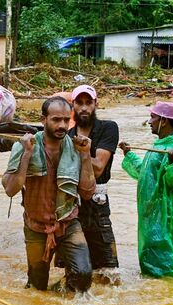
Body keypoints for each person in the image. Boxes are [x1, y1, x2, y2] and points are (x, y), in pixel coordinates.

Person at [2, 96, 96, 292]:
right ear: (43, 120)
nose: (62, 125)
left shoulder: (76, 148)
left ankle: (59, 295)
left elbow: (87, 193)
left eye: (65, 120)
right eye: (56, 120)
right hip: (36, 225)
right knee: (37, 285)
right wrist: (27, 155)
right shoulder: (24, 146)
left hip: (68, 221)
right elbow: (11, 189)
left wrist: (86, 155)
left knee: (84, 275)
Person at [119, 101, 173, 278]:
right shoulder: (158, 146)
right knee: (153, 251)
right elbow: (145, 175)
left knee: (166, 254)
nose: (150, 121)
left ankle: (169, 286)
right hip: (153, 213)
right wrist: (128, 154)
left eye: (153, 117)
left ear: (164, 121)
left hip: (168, 213)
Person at [66, 85, 120, 283]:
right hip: (71, 204)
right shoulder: (66, 134)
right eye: (79, 103)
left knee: (109, 273)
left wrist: (82, 151)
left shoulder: (108, 128)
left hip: (98, 203)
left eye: (88, 102)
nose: (84, 108)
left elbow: (98, 169)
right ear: (72, 105)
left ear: (96, 104)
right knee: (73, 274)